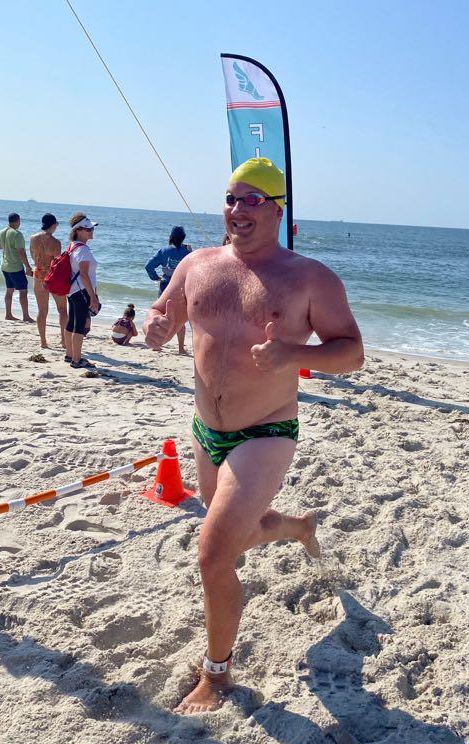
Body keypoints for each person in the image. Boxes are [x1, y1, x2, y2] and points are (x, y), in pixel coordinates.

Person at [143, 157, 364, 713]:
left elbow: (352, 352)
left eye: (252, 200)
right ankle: (297, 527)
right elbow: (162, 315)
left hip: (266, 431)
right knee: (235, 536)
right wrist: (152, 326)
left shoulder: (309, 277)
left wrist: (293, 354)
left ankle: (216, 676)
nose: (237, 210)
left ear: (276, 209)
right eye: (231, 198)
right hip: (205, 431)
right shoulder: (196, 264)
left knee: (213, 554)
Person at [145, 226, 193, 354]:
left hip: (165, 284)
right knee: (180, 318)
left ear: (170, 237)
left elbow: (148, 266)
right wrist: (190, 251)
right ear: (183, 238)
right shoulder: (187, 253)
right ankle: (181, 348)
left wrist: (156, 278)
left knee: (160, 313)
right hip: (181, 287)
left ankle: (156, 344)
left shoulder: (164, 251)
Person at [64, 214, 101, 368]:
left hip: (72, 290)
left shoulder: (72, 246)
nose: (91, 231)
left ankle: (69, 355)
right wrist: (93, 297)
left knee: (71, 322)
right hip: (81, 290)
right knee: (79, 325)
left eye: (92, 228)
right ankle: (77, 360)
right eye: (88, 229)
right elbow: (84, 274)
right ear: (78, 230)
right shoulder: (83, 249)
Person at [30, 213, 68, 348]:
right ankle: (63, 340)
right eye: (56, 224)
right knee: (62, 309)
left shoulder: (33, 238)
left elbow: (32, 256)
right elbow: (56, 263)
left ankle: (43, 342)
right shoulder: (56, 243)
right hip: (51, 276)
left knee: (42, 310)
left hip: (38, 273)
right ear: (53, 225)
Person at [0, 213, 34, 322]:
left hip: (5, 266)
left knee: (9, 290)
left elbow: (0, 247)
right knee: (23, 291)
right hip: (15, 267)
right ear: (18, 221)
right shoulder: (17, 234)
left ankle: (8, 314)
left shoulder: (0, 233)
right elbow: (21, 251)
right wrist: (28, 267)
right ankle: (26, 316)